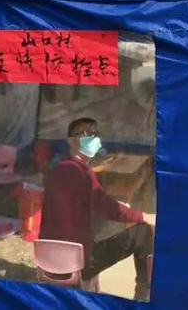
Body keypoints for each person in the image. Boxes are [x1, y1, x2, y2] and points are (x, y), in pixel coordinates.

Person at [40, 117, 156, 300]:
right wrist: (143, 217)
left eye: (96, 133)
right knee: (142, 233)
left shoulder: (58, 169)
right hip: (78, 261)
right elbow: (108, 208)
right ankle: (143, 298)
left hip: (47, 259)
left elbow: (95, 201)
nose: (94, 138)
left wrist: (114, 206)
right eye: (87, 133)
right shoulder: (79, 171)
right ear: (71, 141)